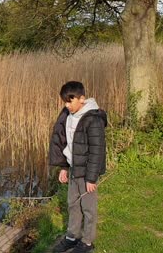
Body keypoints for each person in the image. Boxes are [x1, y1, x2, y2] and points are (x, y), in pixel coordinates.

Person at [49, 81, 107, 253]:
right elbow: (67, 144)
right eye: (65, 102)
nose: (67, 105)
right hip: (74, 169)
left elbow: (97, 151)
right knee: (72, 204)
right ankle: (72, 237)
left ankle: (87, 242)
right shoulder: (68, 116)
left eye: (70, 101)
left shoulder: (93, 119)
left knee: (88, 208)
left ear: (82, 99)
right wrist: (64, 167)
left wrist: (91, 178)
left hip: (87, 173)